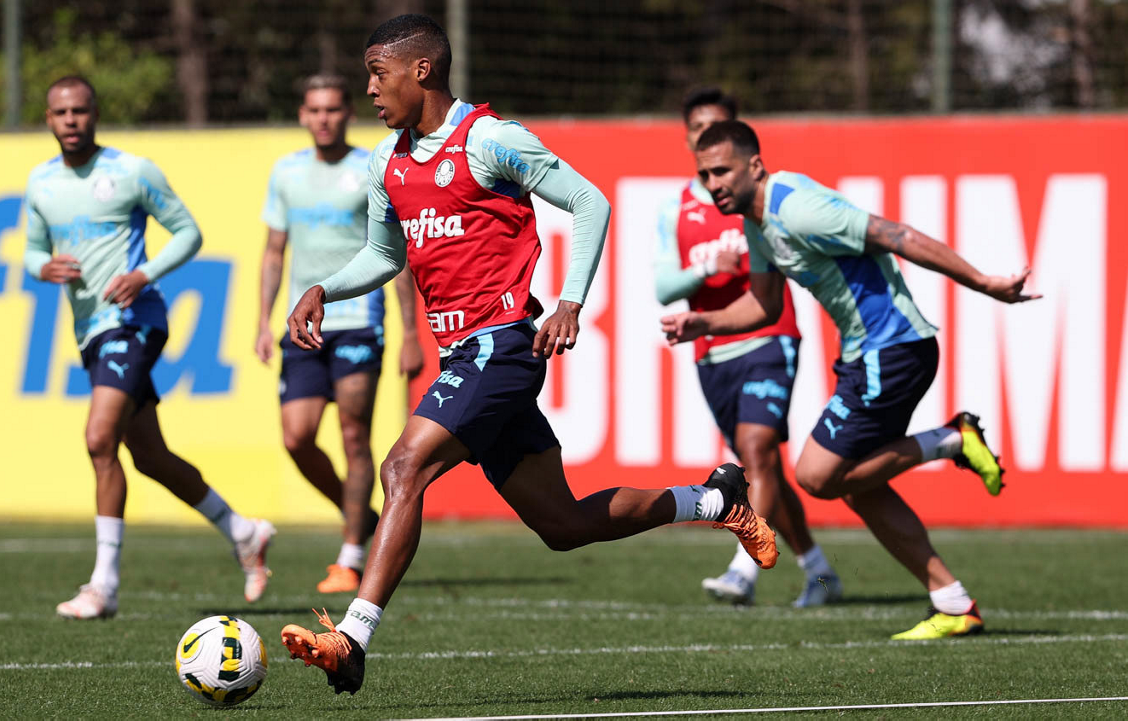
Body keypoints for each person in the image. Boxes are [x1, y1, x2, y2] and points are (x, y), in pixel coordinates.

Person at [278, 15, 778, 695]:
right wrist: (323, 288)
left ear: (421, 70)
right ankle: (715, 500)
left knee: (402, 467)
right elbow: (383, 255)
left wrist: (570, 300)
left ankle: (353, 638)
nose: (369, 88)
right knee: (563, 525)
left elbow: (589, 201)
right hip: (463, 355)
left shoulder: (490, 139)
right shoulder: (386, 160)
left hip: (501, 345)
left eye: (376, 72)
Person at [664, 120, 1039, 639]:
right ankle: (953, 602)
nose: (713, 184)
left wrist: (984, 282)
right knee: (860, 485)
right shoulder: (755, 222)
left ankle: (953, 439)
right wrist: (704, 322)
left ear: (755, 165)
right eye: (705, 175)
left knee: (817, 475)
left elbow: (898, 236)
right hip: (871, 355)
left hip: (892, 350)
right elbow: (764, 305)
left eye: (722, 171)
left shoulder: (797, 208)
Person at [24, 76, 274, 620]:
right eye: (61, 112)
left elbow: (188, 233)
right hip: (91, 331)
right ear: (48, 118)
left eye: (80, 110)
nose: (71, 120)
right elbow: (31, 250)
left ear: (95, 113)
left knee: (99, 439)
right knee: (149, 457)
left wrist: (143, 274)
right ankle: (242, 531)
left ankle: (104, 586)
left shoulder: (132, 171)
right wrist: (42, 267)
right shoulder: (40, 182)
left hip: (134, 321)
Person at [655, 89, 841, 608]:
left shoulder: (758, 199)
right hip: (711, 350)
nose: (706, 137)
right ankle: (820, 571)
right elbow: (663, 287)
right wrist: (704, 270)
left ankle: (742, 572)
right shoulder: (677, 207)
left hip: (767, 336)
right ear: (689, 138)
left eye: (716, 127)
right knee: (764, 469)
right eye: (698, 129)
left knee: (756, 451)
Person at [256, 75, 424, 594]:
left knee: (354, 436)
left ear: (347, 113)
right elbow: (274, 251)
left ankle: (349, 556)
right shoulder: (286, 173)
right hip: (302, 325)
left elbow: (394, 256)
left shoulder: (371, 166)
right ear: (302, 115)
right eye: (315, 110)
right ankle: (358, 515)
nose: (323, 118)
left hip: (357, 322)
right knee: (297, 437)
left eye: (332, 109)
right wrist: (262, 321)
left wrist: (410, 333)